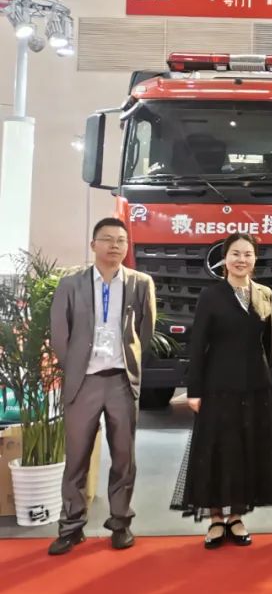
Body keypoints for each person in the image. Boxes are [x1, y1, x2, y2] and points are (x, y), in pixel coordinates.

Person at [47, 218, 156, 556]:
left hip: (121, 380)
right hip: (84, 382)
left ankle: (120, 523)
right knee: (76, 457)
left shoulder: (140, 283)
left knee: (124, 457)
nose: (114, 245)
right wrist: (75, 369)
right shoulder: (71, 284)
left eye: (121, 240)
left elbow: (146, 331)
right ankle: (71, 527)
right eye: (107, 239)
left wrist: (130, 363)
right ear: (93, 244)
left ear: (127, 246)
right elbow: (59, 333)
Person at [170, 233, 272, 548]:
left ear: (255, 259)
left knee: (247, 450)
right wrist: (194, 390)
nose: (241, 260)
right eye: (235, 254)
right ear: (225, 259)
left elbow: (268, 343)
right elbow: (198, 345)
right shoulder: (211, 295)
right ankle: (216, 518)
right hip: (217, 385)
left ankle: (237, 516)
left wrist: (270, 379)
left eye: (247, 254)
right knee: (216, 450)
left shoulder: (264, 294)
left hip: (255, 387)